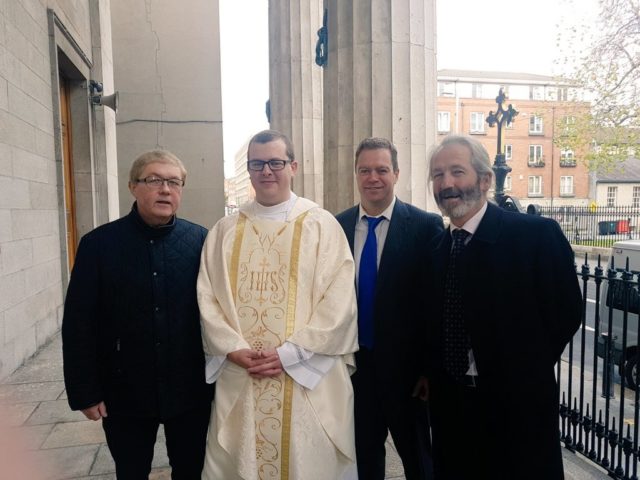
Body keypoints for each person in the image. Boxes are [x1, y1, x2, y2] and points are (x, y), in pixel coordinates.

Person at [197, 130, 358, 480]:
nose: (266, 171)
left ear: (293, 166)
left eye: (275, 162)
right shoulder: (224, 231)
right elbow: (207, 296)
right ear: (249, 169)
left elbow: (340, 299)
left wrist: (289, 354)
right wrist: (232, 348)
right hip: (243, 372)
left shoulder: (321, 225)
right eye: (257, 164)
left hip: (304, 377)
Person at [424, 134, 582, 479]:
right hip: (452, 409)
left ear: (484, 180)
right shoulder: (438, 249)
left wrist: (523, 368)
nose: (447, 184)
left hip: (517, 407)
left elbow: (566, 311)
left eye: (456, 172)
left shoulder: (535, 236)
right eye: (438, 175)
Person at [62, 150, 214, 479]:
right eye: (154, 180)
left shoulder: (201, 241)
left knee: (190, 470)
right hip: (124, 391)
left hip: (189, 391)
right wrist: (84, 391)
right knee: (131, 471)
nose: (165, 189)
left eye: (174, 182)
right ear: (133, 186)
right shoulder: (98, 245)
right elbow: (79, 324)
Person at [336, 137, 443, 479]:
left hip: (408, 375)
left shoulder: (425, 227)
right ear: (356, 174)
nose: (373, 178)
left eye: (381, 169)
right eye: (365, 170)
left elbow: (434, 303)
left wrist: (428, 368)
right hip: (354, 370)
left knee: (419, 460)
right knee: (364, 459)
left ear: (396, 173)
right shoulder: (336, 227)